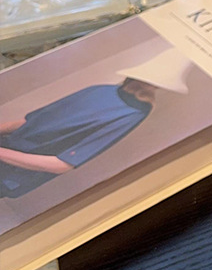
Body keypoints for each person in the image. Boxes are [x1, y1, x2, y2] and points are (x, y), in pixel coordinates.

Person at [0, 48, 191, 199]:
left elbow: (62, 164)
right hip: (8, 152)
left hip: (13, 175)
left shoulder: (132, 114)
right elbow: (31, 121)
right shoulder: (99, 90)